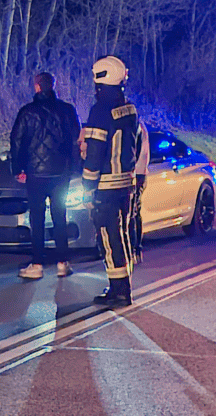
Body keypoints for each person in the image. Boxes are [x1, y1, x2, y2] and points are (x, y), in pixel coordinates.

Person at [11, 72, 82, 280]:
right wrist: (74, 168)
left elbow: (17, 141)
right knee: (59, 216)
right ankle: (62, 262)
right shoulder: (67, 110)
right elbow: (75, 140)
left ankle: (37, 263)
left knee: (37, 219)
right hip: (61, 173)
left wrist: (18, 169)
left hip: (36, 174)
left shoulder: (27, 112)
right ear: (53, 85)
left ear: (36, 87)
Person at [82, 55, 139, 307]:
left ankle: (119, 291)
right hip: (126, 184)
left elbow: (94, 154)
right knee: (122, 235)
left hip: (105, 186)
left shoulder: (100, 111)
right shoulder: (129, 108)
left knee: (108, 236)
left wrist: (87, 187)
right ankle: (123, 285)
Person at [128, 121, 150, 264]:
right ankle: (136, 249)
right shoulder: (139, 125)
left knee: (132, 213)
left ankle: (134, 249)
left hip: (135, 174)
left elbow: (134, 151)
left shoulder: (135, 126)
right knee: (134, 212)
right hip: (139, 172)